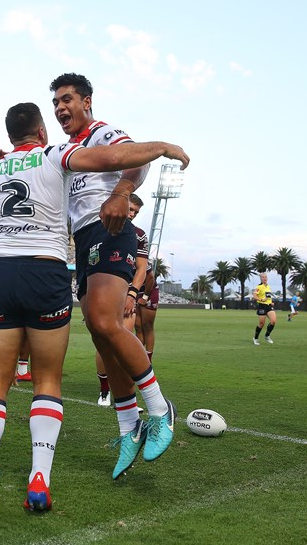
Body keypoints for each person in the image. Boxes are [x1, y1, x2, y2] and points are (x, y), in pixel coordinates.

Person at [0, 102, 189, 513]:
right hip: (48, 270)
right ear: (42, 131)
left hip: (1, 275)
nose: (62, 109)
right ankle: (41, 481)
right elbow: (115, 159)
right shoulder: (56, 155)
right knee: (51, 376)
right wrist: (162, 146)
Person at [49, 72, 179, 479]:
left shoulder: (104, 133)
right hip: (83, 239)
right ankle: (129, 427)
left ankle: (159, 410)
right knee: (102, 335)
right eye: (55, 103)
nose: (60, 108)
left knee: (107, 322)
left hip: (110, 230)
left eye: (67, 99)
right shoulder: (66, 151)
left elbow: (136, 159)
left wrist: (121, 192)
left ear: (87, 101)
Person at [94, 193, 149, 407]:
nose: (133, 214)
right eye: (131, 209)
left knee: (124, 342)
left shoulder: (139, 235)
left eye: (136, 212)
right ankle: (104, 390)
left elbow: (142, 267)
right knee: (103, 346)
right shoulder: (100, 226)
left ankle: (126, 394)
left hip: (126, 294)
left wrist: (133, 294)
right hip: (100, 293)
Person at [252, 272, 276, 344]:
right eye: (263, 277)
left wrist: (271, 302)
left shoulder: (268, 286)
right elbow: (254, 296)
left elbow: (268, 296)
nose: (264, 278)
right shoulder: (259, 287)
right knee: (262, 323)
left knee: (273, 321)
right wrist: (261, 300)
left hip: (269, 306)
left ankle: (267, 335)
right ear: (261, 279)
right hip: (262, 306)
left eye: (265, 277)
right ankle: (255, 338)